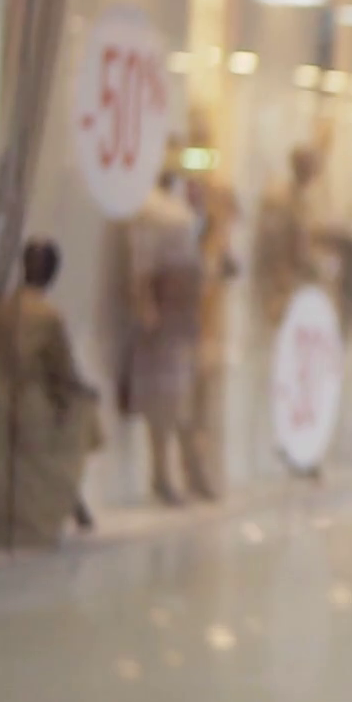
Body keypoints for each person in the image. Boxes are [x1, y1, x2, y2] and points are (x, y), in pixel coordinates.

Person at [0, 239, 102, 551]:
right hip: (28, 402)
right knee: (84, 419)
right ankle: (70, 500)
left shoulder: (1, 308)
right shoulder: (49, 315)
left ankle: (75, 503)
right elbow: (63, 370)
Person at [125, 169, 210, 504]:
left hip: (183, 312)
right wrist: (145, 305)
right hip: (166, 309)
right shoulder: (149, 209)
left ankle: (188, 469)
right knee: (164, 396)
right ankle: (162, 474)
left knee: (183, 395)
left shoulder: (176, 207)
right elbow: (141, 263)